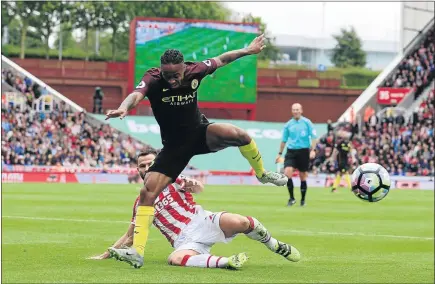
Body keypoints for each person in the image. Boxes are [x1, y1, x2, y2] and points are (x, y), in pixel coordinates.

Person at [105, 34, 288, 268]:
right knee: (147, 193)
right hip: (174, 147)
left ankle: (262, 174)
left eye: (176, 75)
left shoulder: (195, 71)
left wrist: (248, 50)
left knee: (240, 135)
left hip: (200, 134)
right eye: (167, 75)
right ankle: (137, 252)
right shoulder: (152, 78)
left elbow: (222, 59)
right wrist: (123, 108)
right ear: (161, 70)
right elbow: (136, 95)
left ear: (184, 68)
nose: (171, 80)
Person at [88, 150, 301, 269]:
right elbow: (130, 236)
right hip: (184, 241)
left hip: (202, 221)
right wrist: (105, 254)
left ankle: (274, 245)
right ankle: (228, 262)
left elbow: (199, 188)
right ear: (137, 170)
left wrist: (194, 185)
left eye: (149, 164)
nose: (146, 169)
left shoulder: (171, 178)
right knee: (175, 259)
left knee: (243, 223)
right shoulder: (140, 203)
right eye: (142, 166)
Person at [275, 103, 317, 207]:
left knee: (302, 176)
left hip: (303, 151)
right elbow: (284, 140)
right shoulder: (288, 125)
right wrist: (279, 154)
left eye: (297, 109)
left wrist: (313, 150)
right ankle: (292, 198)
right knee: (287, 172)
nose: (296, 111)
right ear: (291, 111)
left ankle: (302, 200)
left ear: (301, 110)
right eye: (294, 109)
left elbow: (314, 137)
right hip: (291, 151)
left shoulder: (307, 123)